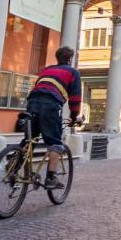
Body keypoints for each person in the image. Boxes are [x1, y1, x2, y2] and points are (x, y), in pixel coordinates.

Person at [26, 46, 82, 189]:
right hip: (50, 105)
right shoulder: (73, 72)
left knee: (30, 139)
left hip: (32, 102)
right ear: (70, 59)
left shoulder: (46, 70)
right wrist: (74, 117)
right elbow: (75, 98)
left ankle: (15, 166)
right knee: (55, 142)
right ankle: (50, 178)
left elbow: (39, 87)